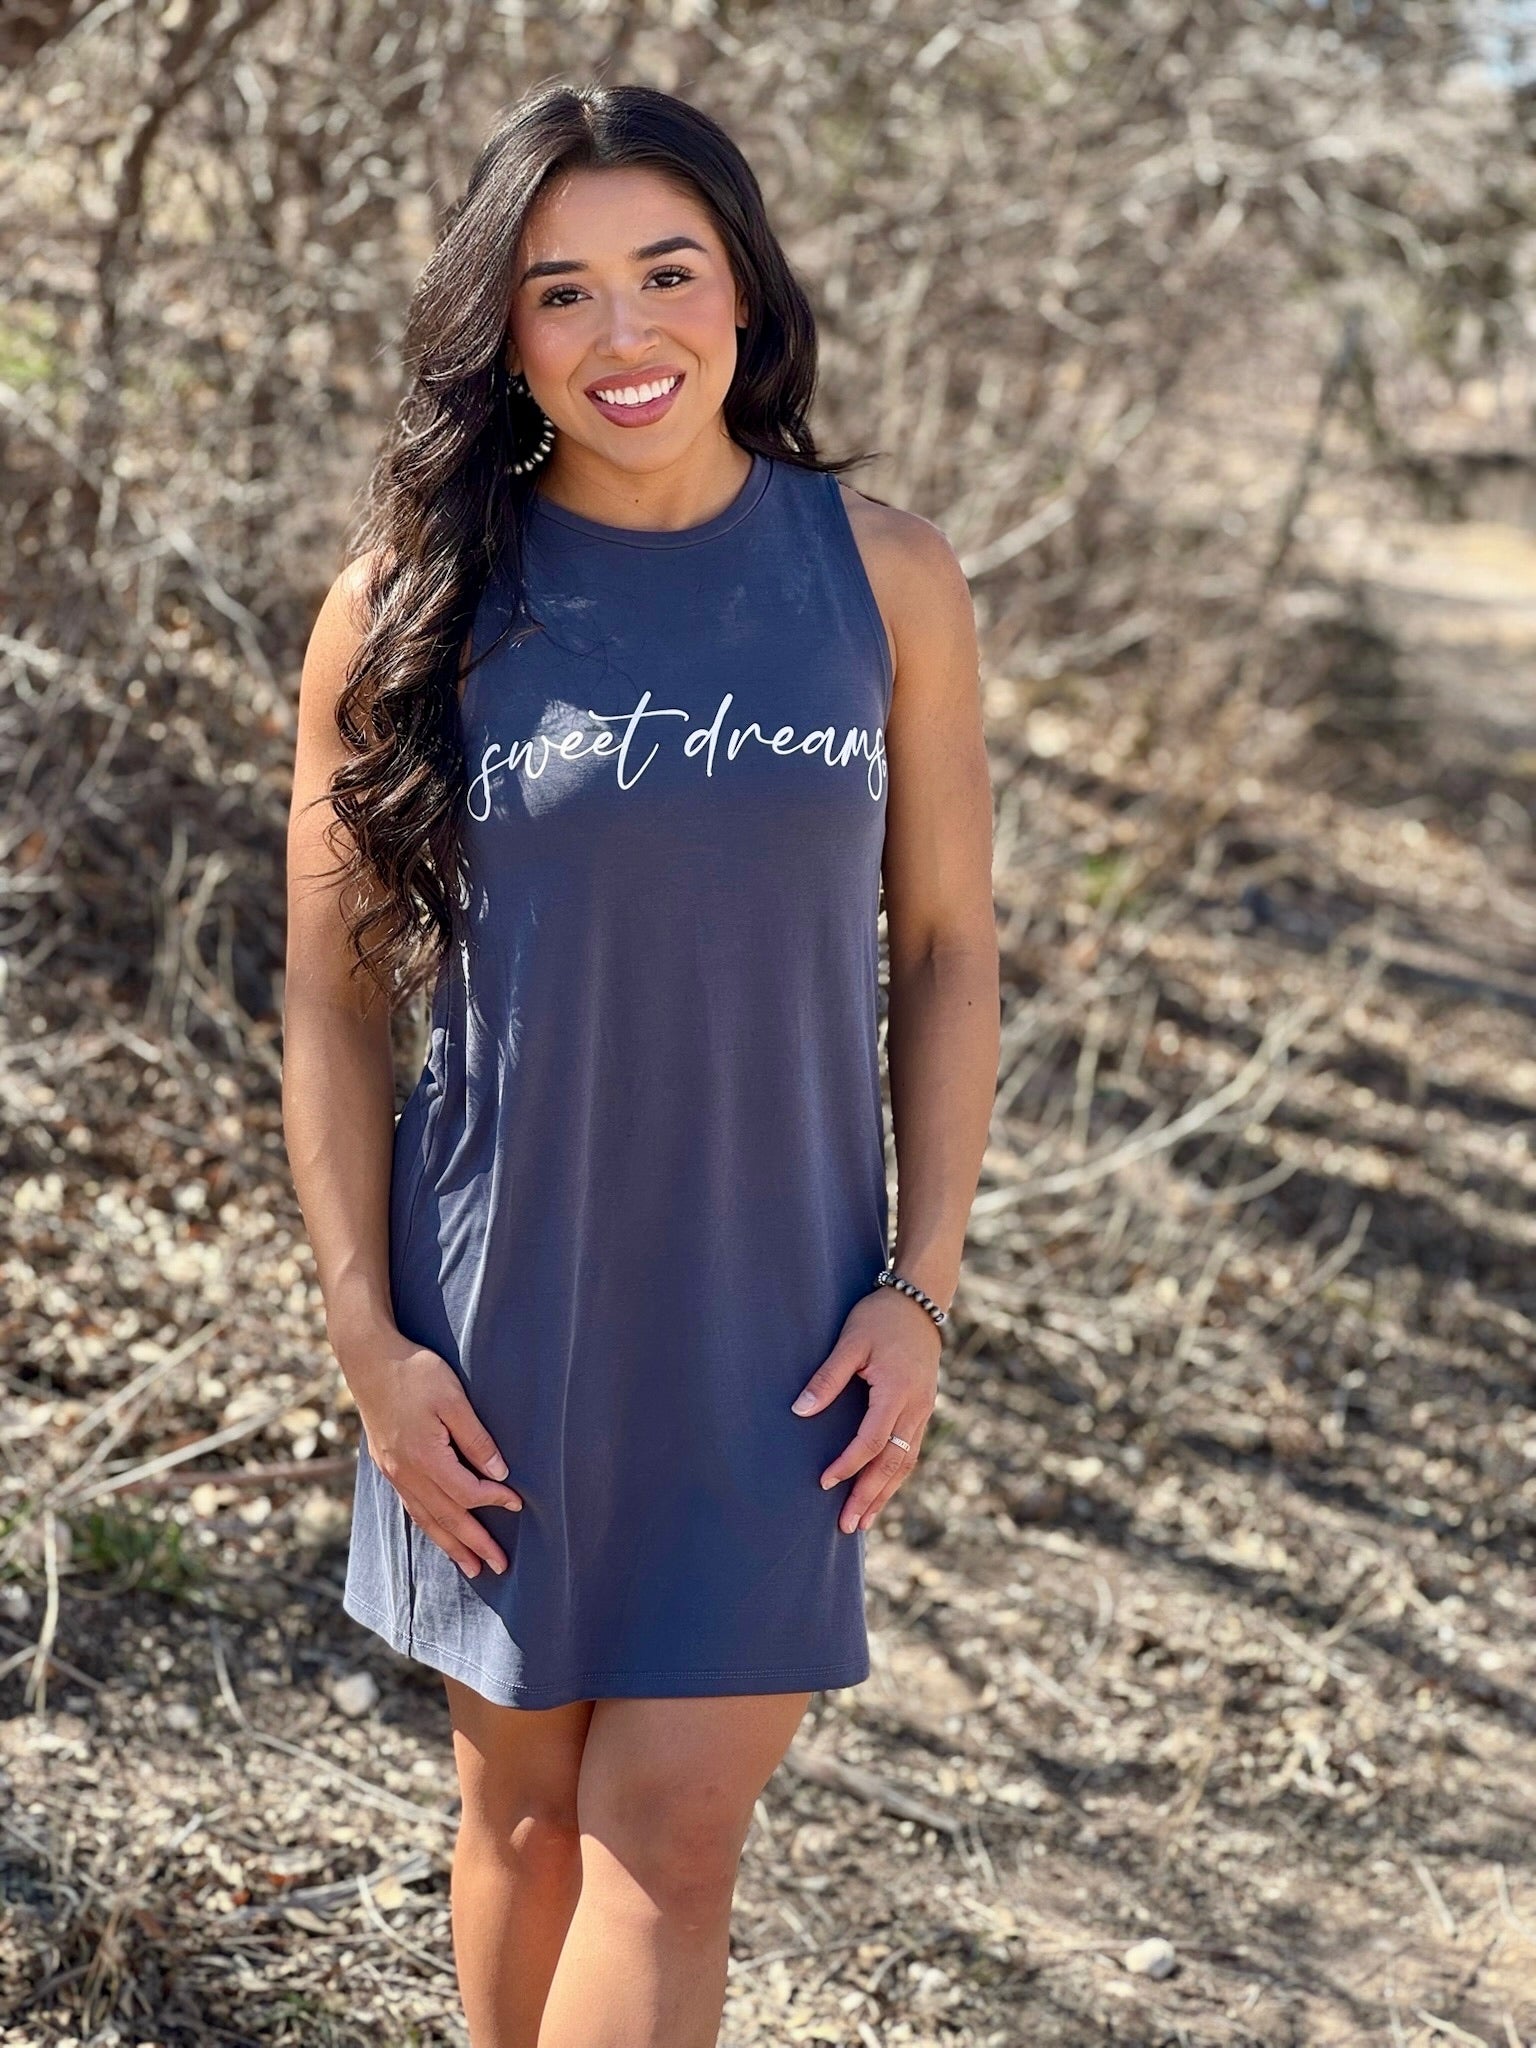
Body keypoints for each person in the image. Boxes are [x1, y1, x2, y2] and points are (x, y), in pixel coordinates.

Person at [282, 79, 998, 2048]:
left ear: (745, 293)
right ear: (504, 335)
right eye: (562, 290)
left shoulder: (885, 578)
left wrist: (924, 1287)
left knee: (671, 1830)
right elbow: (333, 997)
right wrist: (369, 1342)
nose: (625, 334)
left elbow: (947, 949)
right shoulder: (407, 605)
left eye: (668, 274)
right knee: (519, 1816)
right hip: (503, 1310)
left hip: (788, 1322)